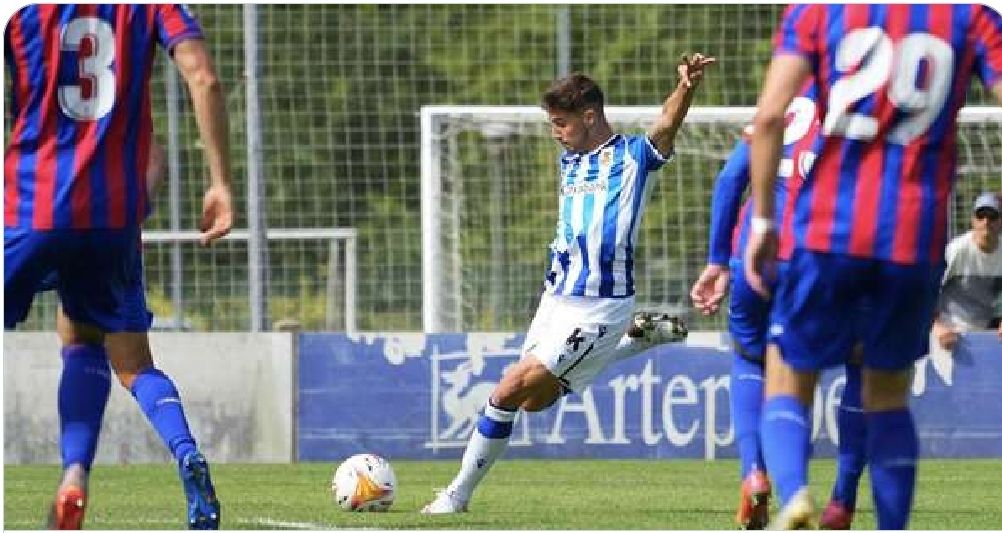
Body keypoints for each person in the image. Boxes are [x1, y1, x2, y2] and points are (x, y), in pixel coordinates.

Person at [743, 4, 1002, 529]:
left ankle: (793, 493)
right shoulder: (970, 18)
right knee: (887, 397)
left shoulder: (817, 13)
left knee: (786, 374)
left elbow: (769, 117)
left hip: (825, 232)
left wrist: (764, 223)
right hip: (914, 237)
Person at [421, 55, 714, 514]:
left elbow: (664, 125)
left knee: (508, 389)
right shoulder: (570, 163)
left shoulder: (633, 158)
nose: (555, 131)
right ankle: (635, 340)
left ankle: (455, 495)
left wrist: (686, 87)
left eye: (561, 123)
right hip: (555, 299)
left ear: (590, 116)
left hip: (600, 305)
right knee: (534, 402)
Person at [4, 5, 234, 529]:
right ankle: (95, 472)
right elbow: (204, 77)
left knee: (84, 340)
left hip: (29, 205)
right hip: (111, 218)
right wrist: (220, 182)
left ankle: (74, 476)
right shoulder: (150, 5)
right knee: (123, 359)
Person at [691, 80, 836, 529]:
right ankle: (801, 487)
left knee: (747, 362)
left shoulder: (784, 102)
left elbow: (731, 179)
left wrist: (718, 260)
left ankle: (753, 475)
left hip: (753, 257)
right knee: (795, 374)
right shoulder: (858, 104)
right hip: (812, 261)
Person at [931, 192, 1002, 351]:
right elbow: (927, 290)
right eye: (980, 215)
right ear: (973, 221)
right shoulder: (957, 250)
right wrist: (937, 327)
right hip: (948, 337)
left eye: (992, 216)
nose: (986, 222)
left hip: (988, 338)